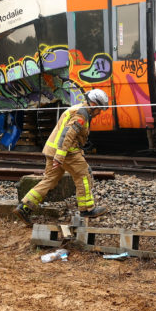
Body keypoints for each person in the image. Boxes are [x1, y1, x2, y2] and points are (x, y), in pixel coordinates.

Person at [14, 88, 110, 226]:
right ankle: (87, 209)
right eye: (100, 109)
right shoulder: (81, 115)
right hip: (67, 152)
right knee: (83, 175)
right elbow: (67, 135)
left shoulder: (77, 109)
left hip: (52, 150)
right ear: (94, 104)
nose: (100, 112)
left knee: (49, 180)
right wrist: (60, 157)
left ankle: (24, 207)